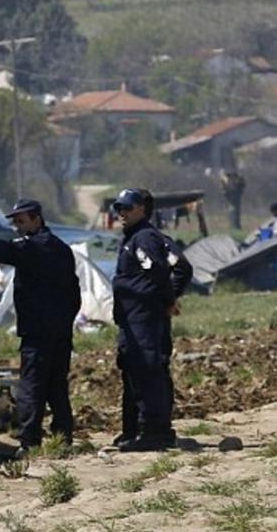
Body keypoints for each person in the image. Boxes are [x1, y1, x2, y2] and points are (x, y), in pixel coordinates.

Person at [0, 199, 81, 457]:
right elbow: (75, 293)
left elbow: (4, 251)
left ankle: (30, 443)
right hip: (60, 331)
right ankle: (63, 439)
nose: (16, 227)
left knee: (32, 387)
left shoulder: (36, 247)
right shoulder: (61, 248)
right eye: (14, 222)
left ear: (37, 219)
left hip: (39, 332)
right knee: (56, 387)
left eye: (21, 221)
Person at [110, 188, 191, 452]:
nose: (122, 213)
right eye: (118, 208)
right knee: (136, 372)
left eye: (128, 207)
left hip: (143, 318)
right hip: (135, 318)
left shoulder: (144, 238)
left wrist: (168, 300)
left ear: (142, 209)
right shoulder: (135, 238)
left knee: (147, 372)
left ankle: (154, 432)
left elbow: (160, 269)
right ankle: (135, 430)